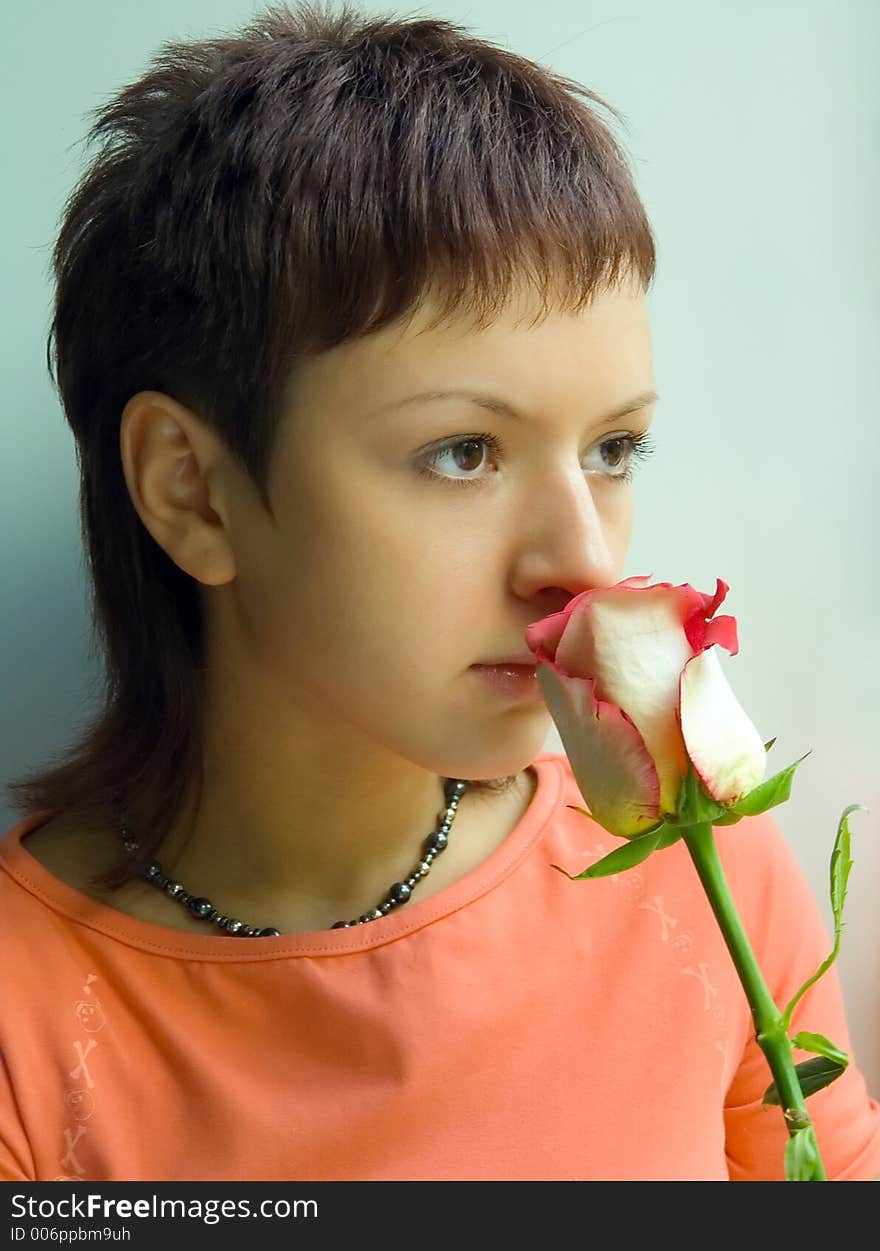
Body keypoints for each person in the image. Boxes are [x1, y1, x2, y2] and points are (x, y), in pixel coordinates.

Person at [1, 0, 878, 1184]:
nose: (583, 563)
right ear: (194, 493)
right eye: (462, 452)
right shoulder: (28, 1021)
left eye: (614, 449)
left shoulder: (704, 879)